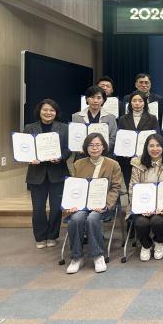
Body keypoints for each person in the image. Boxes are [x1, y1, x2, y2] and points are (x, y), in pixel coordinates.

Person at [65, 133, 122, 274]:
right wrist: (72, 204)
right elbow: (74, 187)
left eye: (97, 145)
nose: (94, 148)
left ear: (103, 147)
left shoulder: (113, 164)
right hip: (82, 204)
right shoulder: (78, 164)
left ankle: (98, 255)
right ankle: (77, 257)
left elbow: (116, 188)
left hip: (103, 205)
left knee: (92, 218)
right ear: (86, 148)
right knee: (75, 219)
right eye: (91, 145)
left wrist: (106, 204)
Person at [23, 99, 70, 249]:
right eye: (45, 110)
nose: (48, 113)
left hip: (58, 173)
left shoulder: (64, 128)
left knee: (56, 208)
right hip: (36, 173)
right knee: (38, 208)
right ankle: (40, 236)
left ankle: (52, 235)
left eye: (52, 110)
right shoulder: (29, 128)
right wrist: (29, 158)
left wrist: (60, 157)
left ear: (56, 112)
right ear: (39, 111)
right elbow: (24, 148)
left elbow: (68, 149)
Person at [127, 134, 163, 261]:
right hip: (141, 204)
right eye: (151, 146)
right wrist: (142, 207)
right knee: (141, 223)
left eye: (158, 145)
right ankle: (146, 244)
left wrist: (161, 207)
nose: (155, 149)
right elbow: (132, 188)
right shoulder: (137, 163)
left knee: (157, 221)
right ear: (146, 148)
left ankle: (159, 241)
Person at [117, 90, 161, 186]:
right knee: (130, 185)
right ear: (130, 103)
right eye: (134, 101)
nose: (137, 103)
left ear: (145, 103)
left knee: (146, 186)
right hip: (127, 159)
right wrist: (123, 151)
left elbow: (157, 137)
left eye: (140, 101)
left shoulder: (152, 118)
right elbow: (119, 139)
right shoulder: (123, 119)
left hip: (146, 158)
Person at [72, 86, 117, 154]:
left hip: (104, 155)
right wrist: (80, 148)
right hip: (82, 154)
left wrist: (103, 149)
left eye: (99, 98)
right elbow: (73, 137)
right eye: (92, 97)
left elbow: (113, 138)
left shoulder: (111, 118)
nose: (95, 101)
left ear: (103, 100)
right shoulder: (76, 117)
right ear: (87, 99)